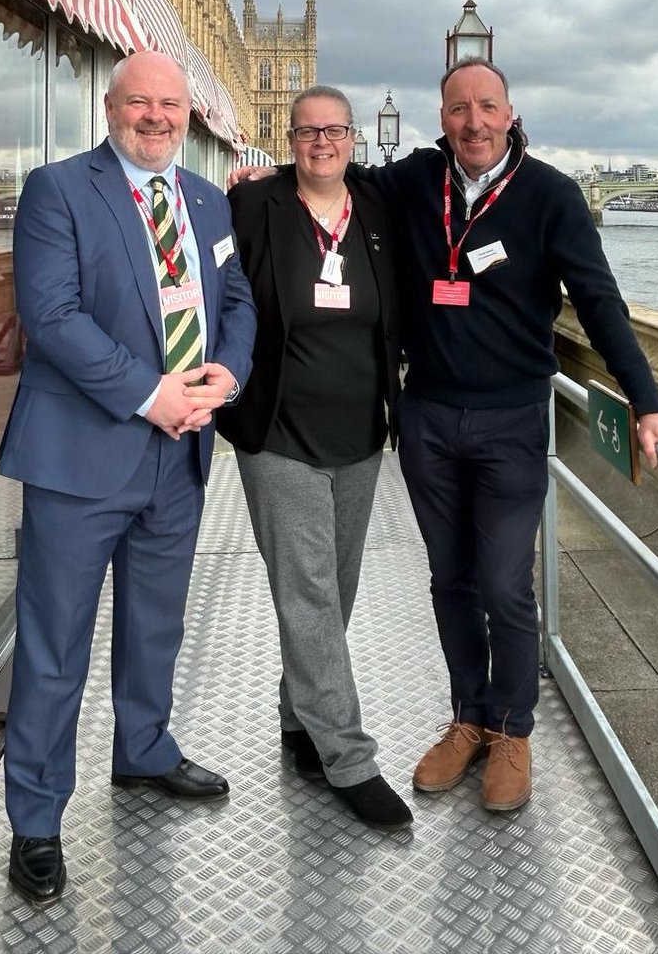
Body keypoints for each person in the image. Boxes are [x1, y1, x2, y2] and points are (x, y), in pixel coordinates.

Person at [232, 56, 658, 813]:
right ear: (440, 118)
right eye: (457, 109)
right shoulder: (411, 181)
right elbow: (328, 173)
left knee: (506, 584)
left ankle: (513, 728)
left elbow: (601, 303)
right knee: (451, 581)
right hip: (429, 419)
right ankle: (468, 717)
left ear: (510, 114)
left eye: (486, 108)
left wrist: (646, 401)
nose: (472, 122)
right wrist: (266, 179)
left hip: (511, 417)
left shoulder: (550, 196)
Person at [0, 50, 256, 905]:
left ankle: (142, 750)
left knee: (154, 628)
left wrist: (226, 373)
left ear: (188, 115)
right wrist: (151, 395)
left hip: (177, 459)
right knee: (54, 645)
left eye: (170, 105)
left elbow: (239, 300)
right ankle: (36, 820)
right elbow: (52, 315)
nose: (156, 117)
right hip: (81, 458)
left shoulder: (208, 202)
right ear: (111, 108)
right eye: (139, 102)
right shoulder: (59, 190)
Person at [218, 87, 410, 831]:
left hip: (360, 432)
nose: (321, 142)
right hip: (279, 430)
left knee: (339, 587)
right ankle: (349, 758)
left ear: (353, 139)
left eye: (333, 131)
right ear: (288, 139)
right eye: (307, 131)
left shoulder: (378, 209)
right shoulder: (255, 206)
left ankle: (300, 717)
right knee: (308, 589)